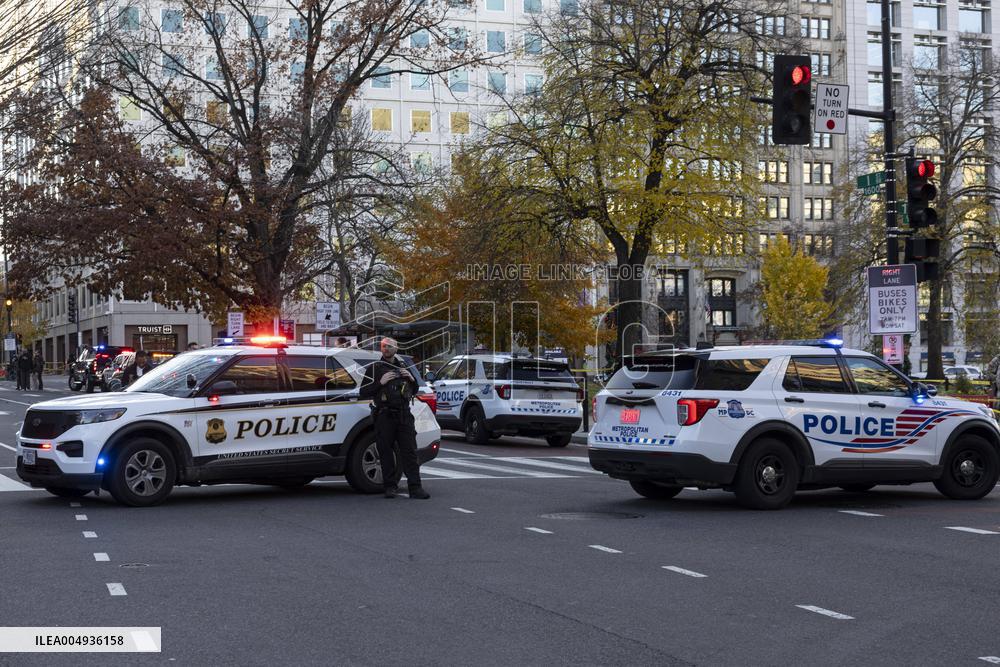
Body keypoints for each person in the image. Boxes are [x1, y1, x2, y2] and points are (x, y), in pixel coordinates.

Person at [359, 337, 429, 499]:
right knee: (385, 452)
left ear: (396, 348)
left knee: (409, 452)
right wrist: (380, 382)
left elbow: (415, 389)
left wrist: (411, 379)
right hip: (385, 415)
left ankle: (415, 487)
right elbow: (363, 391)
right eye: (384, 346)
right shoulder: (375, 368)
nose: (386, 349)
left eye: (390, 346)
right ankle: (390, 487)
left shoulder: (405, 367)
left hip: (404, 414)